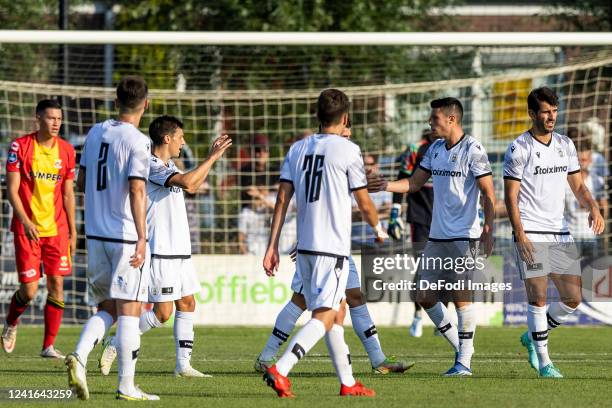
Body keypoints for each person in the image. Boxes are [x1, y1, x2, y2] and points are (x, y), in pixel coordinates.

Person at [255, 127, 411, 376]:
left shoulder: (333, 157)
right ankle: (269, 359)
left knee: (353, 298)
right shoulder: (328, 154)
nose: (348, 137)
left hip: (335, 246)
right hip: (322, 247)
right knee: (308, 303)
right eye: (345, 132)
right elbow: (316, 201)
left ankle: (376, 360)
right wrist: (376, 226)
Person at [262, 89, 386, 398]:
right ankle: (282, 368)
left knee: (335, 312)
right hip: (331, 248)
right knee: (326, 315)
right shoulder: (348, 150)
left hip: (304, 248)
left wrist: (272, 246)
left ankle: (347, 382)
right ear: (345, 118)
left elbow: (281, 198)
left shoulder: (297, 149)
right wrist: (379, 228)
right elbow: (364, 200)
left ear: (317, 116)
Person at [369, 97, 495, 376]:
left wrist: (489, 229)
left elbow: (488, 192)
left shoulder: (473, 150)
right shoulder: (435, 149)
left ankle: (464, 362)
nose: (429, 122)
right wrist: (385, 184)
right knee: (423, 295)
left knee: (462, 296)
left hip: (465, 236)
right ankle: (463, 349)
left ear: (451, 119)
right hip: (437, 236)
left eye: (434, 118)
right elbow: (414, 183)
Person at [97, 116, 232, 378]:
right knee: (162, 312)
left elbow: (192, 184)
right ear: (167, 138)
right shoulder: (151, 164)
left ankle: (183, 365)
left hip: (180, 249)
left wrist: (209, 161)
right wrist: (213, 157)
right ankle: (115, 343)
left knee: (188, 302)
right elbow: (190, 183)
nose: (183, 141)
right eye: (180, 136)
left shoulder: (170, 164)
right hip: (161, 251)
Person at [65, 76, 157, 401]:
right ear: (147, 104)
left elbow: (82, 180)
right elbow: (136, 188)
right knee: (130, 309)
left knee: (107, 307)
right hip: (124, 236)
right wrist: (143, 237)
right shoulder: (139, 141)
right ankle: (127, 386)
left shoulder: (94, 133)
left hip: (95, 234)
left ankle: (78, 355)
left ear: (115, 101)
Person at [503, 87, 604, 378]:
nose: (551, 117)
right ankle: (545, 362)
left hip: (559, 232)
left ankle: (534, 334)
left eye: (554, 111)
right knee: (538, 297)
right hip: (531, 231)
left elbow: (578, 185)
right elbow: (511, 196)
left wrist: (593, 208)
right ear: (532, 113)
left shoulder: (565, 144)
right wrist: (519, 233)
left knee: (572, 298)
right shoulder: (519, 148)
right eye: (546, 111)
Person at [1, 99, 76, 359]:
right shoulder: (19, 147)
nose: (56, 122)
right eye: (51, 118)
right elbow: (11, 190)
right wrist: (26, 220)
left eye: (59, 118)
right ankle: (11, 322)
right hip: (27, 229)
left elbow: (68, 194)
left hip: (57, 230)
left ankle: (48, 346)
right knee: (29, 290)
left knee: (57, 284)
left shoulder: (66, 151)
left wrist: (74, 232)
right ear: (38, 118)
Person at [389, 129, 446, 338]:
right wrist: (395, 212)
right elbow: (402, 178)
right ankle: (418, 315)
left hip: (446, 221)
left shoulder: (454, 148)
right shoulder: (416, 149)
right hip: (420, 218)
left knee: (445, 269)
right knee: (423, 268)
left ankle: (442, 319)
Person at [564, 138, 608, 257]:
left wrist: (594, 207)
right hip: (572, 236)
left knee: (593, 273)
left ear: (590, 160)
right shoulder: (565, 182)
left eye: (585, 159)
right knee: (571, 273)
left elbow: (604, 206)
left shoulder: (597, 180)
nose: (582, 163)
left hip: (591, 236)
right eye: (579, 160)